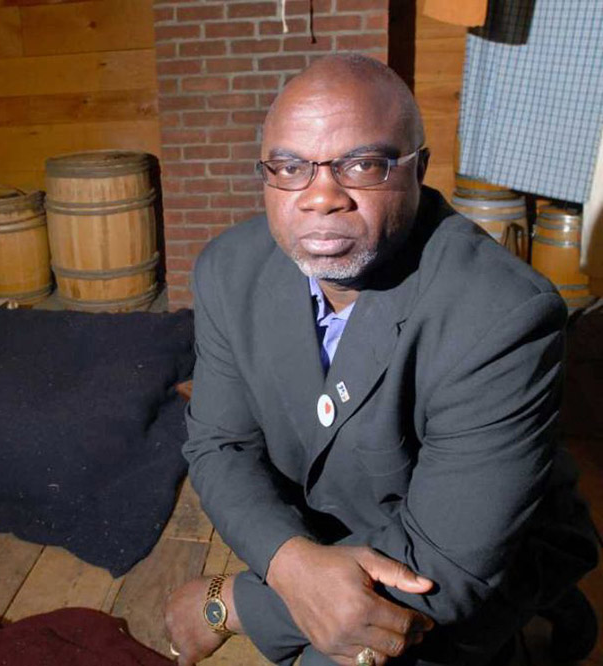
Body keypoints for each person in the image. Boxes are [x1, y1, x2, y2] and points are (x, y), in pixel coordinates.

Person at [164, 54, 599, 666]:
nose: (320, 197)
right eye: (290, 167)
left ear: (418, 168)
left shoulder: (503, 315)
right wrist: (290, 561)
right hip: (336, 538)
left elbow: (443, 568)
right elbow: (220, 446)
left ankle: (548, 608)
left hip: (472, 557)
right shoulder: (227, 272)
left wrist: (234, 603)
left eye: (362, 165)